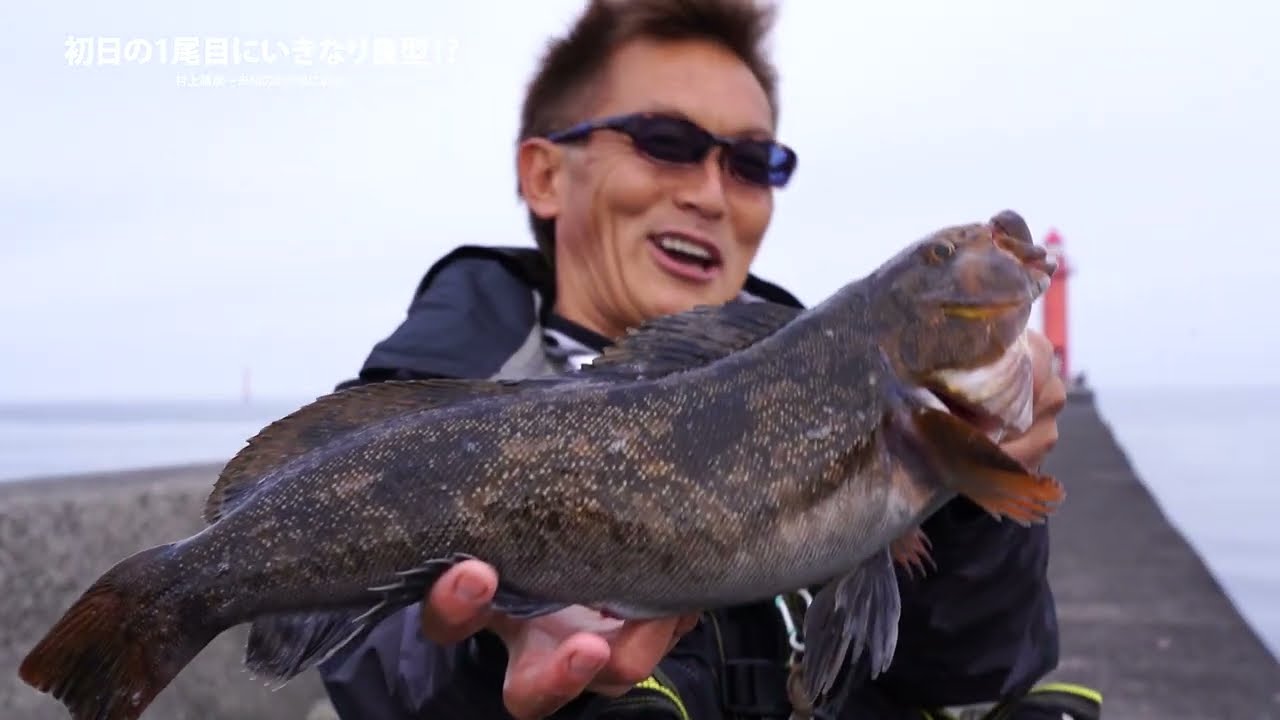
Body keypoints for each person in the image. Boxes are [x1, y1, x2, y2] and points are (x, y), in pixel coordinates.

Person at [317, 1, 1102, 718]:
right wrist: (488, 656)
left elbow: (973, 668)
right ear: (545, 175)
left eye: (752, 164)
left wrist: (961, 496)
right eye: (667, 143)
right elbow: (353, 638)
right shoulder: (444, 404)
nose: (711, 193)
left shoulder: (847, 376)